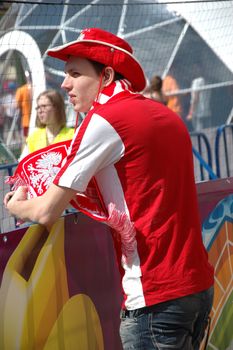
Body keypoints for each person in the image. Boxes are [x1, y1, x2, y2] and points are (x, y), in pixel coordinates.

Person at [4, 28, 214, 349]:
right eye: (65, 74)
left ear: (107, 75)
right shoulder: (165, 115)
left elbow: (45, 210)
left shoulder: (104, 120)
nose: (65, 84)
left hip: (154, 300)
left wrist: (16, 204)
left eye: (75, 73)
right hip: (197, 287)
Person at [19, 89, 74, 160]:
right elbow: (23, 164)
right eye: (38, 107)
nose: (40, 110)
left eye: (44, 106)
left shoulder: (73, 135)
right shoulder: (33, 137)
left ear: (57, 108)